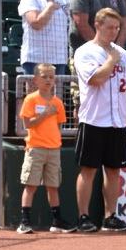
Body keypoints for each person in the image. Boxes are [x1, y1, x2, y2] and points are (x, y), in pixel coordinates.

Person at [73, 8, 126, 233]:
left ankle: (111, 216)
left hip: (117, 120)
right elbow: (96, 79)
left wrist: (115, 57)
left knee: (114, 170)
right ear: (97, 25)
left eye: (117, 28)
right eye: (109, 27)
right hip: (94, 119)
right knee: (89, 170)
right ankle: (83, 216)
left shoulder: (122, 54)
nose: (114, 32)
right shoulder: (85, 52)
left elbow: (125, 86)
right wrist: (111, 60)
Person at [17, 63, 74, 235]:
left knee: (53, 186)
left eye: (51, 77)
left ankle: (57, 221)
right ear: (35, 80)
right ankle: (24, 221)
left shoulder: (57, 102)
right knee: (31, 185)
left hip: (53, 149)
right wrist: (44, 114)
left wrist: (55, 142)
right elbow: (27, 124)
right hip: (35, 147)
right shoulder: (31, 99)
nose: (48, 80)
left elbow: (57, 126)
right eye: (44, 76)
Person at [18, 0, 70, 75]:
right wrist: (50, 7)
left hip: (58, 58)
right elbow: (36, 23)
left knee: (56, 94)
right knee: (35, 93)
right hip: (36, 58)